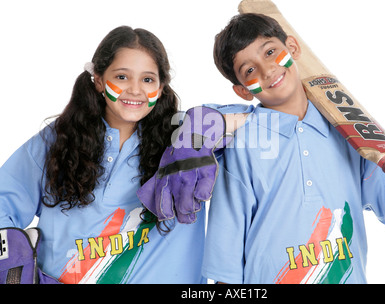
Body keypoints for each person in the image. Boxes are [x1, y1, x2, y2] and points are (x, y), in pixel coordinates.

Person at [201, 13, 385, 284]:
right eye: (249, 70)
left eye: (271, 51)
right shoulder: (243, 145)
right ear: (242, 91)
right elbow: (226, 257)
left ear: (293, 48)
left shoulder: (348, 128)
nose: (268, 70)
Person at [0, 26, 225, 284]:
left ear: (162, 87)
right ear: (98, 79)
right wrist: (11, 266)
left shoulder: (184, 137)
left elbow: (260, 121)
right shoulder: (57, 139)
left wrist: (204, 124)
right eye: (121, 77)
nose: (135, 90)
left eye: (148, 79)